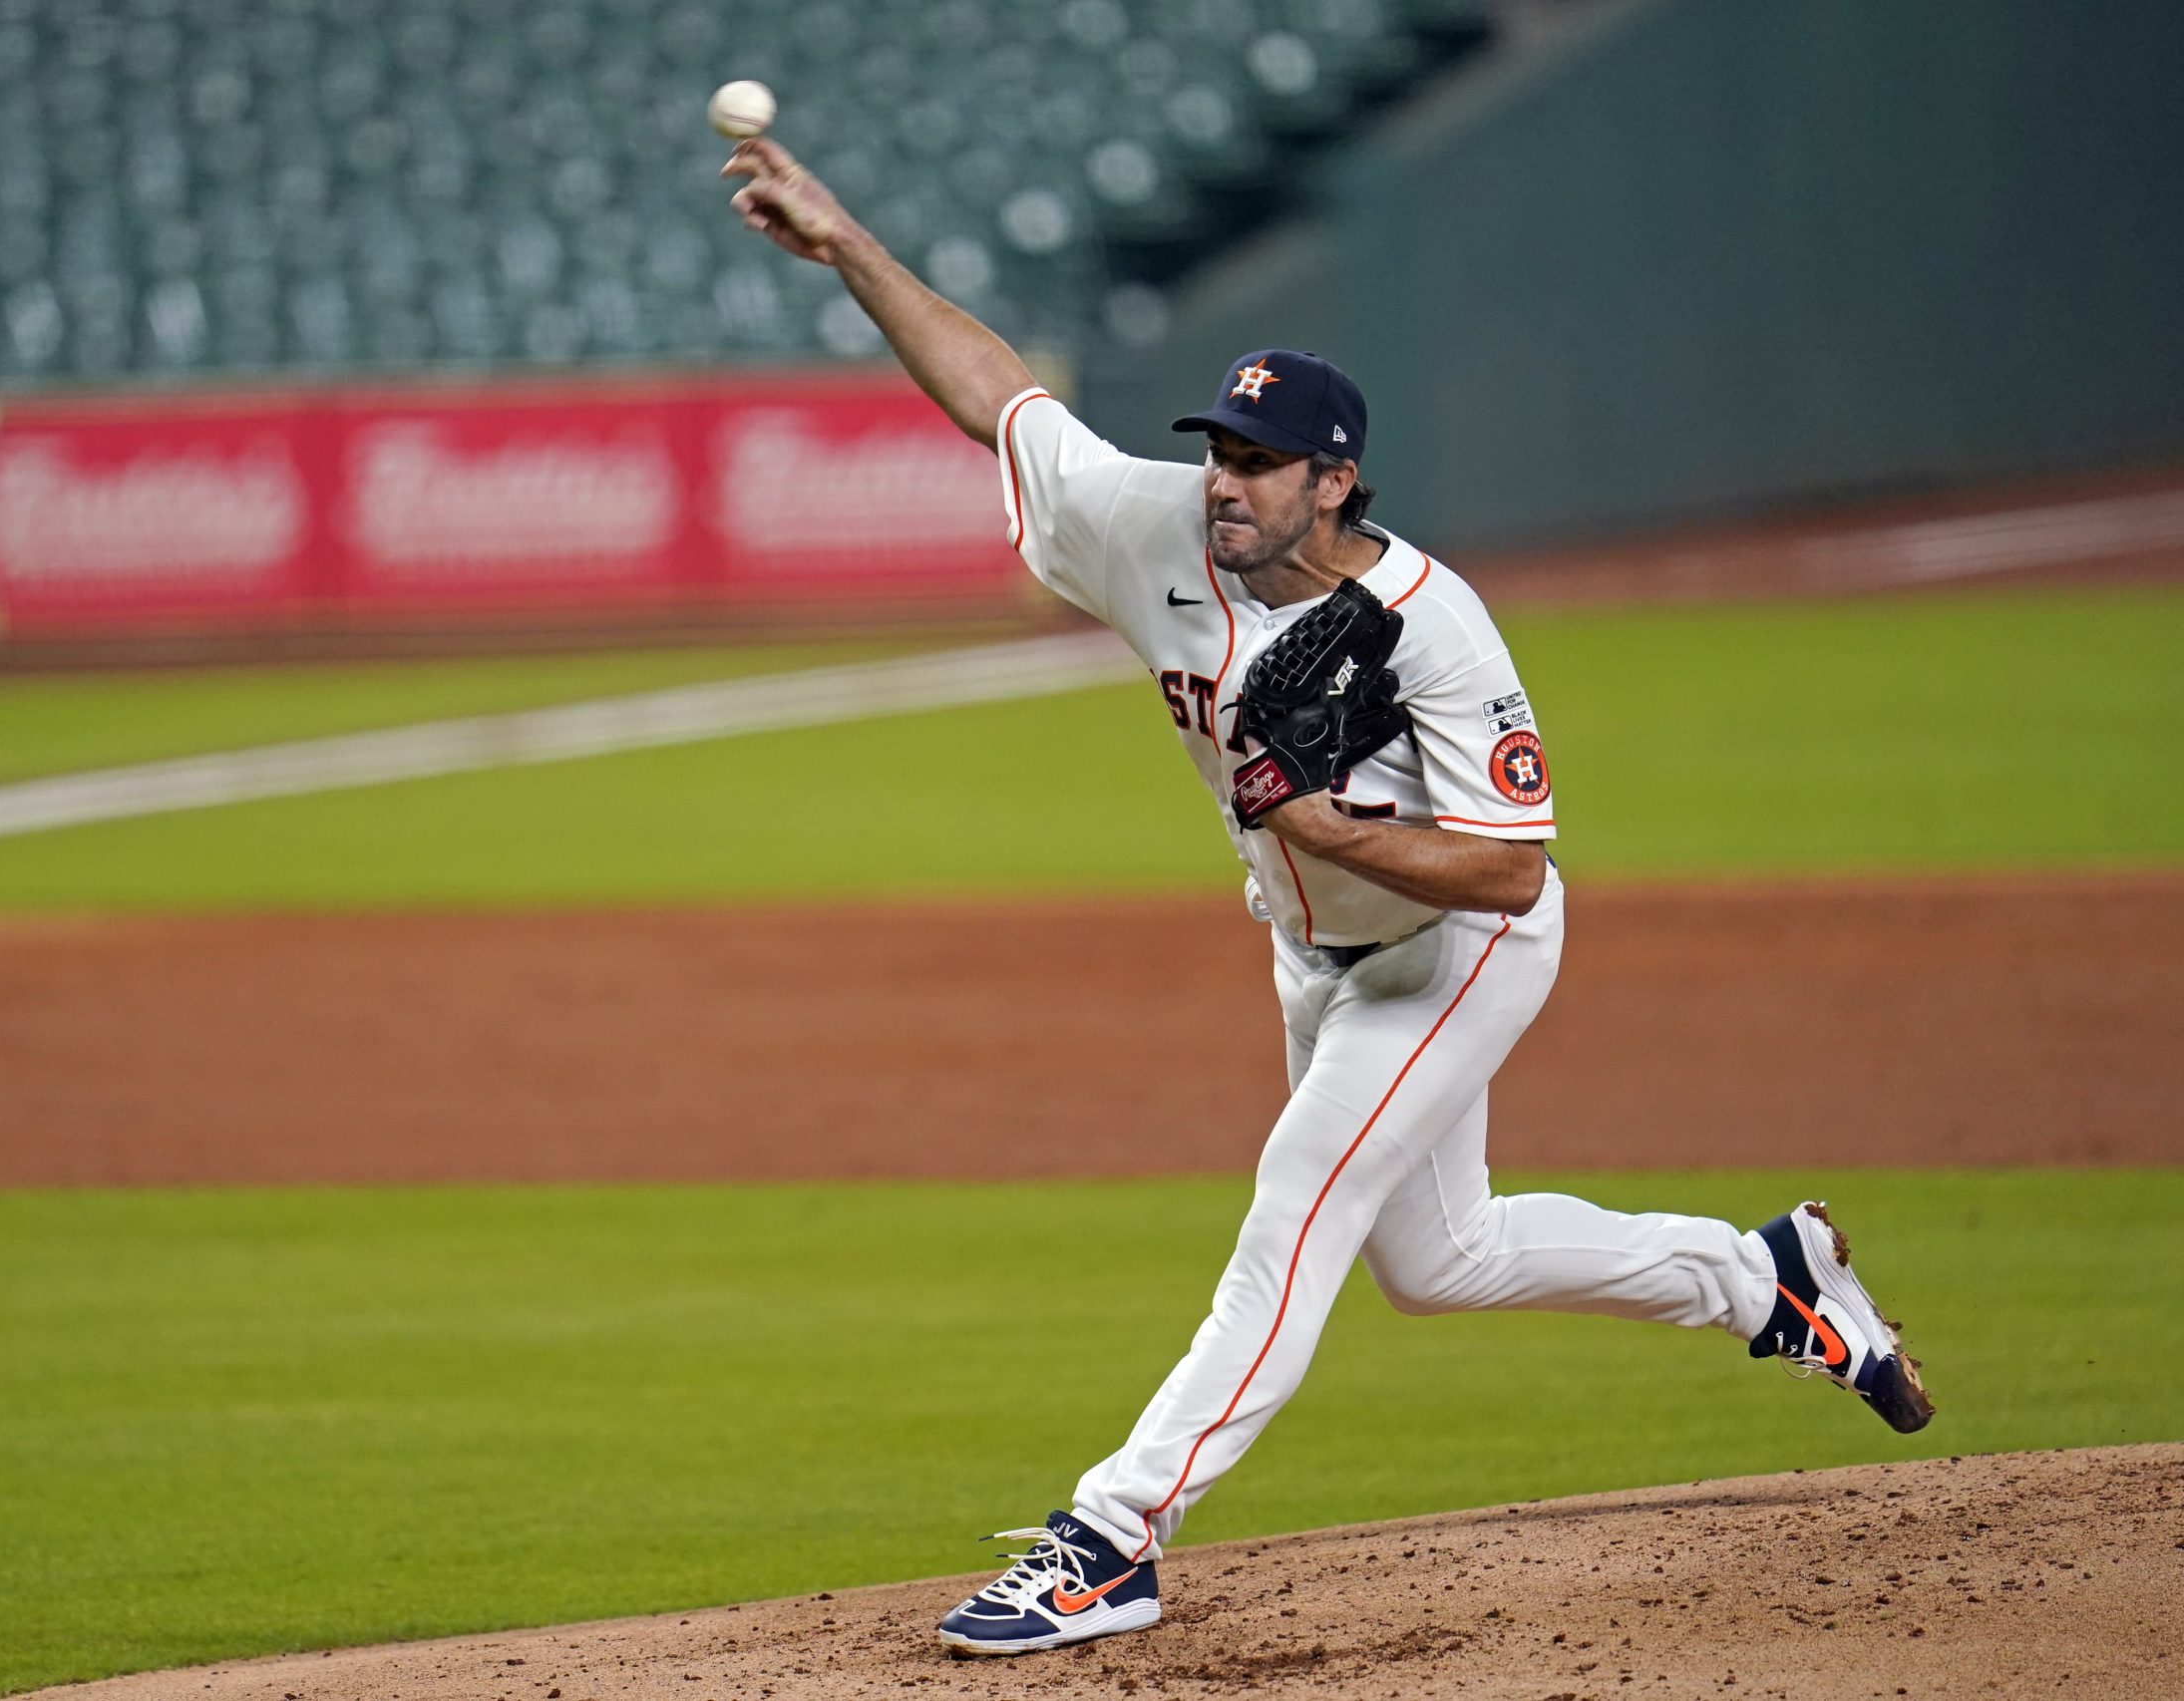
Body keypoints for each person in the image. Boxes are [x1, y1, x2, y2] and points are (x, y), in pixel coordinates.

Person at [722, 138, 1933, 1659]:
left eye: (1257, 461)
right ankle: (1763, 1277)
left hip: (1461, 948)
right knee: (1443, 1259)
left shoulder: (1437, 629)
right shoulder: (1152, 525)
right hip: (1317, 952)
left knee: (1296, 1203)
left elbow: (1513, 861)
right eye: (1218, 450)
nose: (1224, 481)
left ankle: (1115, 1535)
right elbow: (999, 399)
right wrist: (844, 242)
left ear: (1334, 479)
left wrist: (1318, 820)